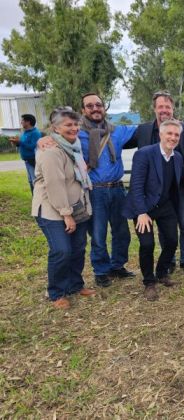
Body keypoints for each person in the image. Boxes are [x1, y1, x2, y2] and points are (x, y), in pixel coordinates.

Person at [32, 109, 96, 309]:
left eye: (76, 124)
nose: (74, 128)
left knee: (77, 249)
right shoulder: (51, 151)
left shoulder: (74, 147)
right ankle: (56, 292)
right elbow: (55, 184)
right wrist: (66, 214)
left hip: (77, 207)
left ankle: (75, 285)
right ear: (55, 128)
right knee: (62, 250)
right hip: (53, 210)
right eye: (68, 125)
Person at [129, 91, 184, 274]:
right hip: (150, 192)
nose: (164, 110)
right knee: (160, 232)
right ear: (154, 109)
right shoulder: (143, 130)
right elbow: (120, 141)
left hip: (177, 186)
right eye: (160, 106)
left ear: (172, 109)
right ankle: (169, 261)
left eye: (167, 107)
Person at [78, 93, 138, 287]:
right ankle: (101, 270)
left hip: (118, 189)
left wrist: (168, 120)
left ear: (104, 108)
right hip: (95, 191)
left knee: (122, 232)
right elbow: (56, 138)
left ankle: (117, 265)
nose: (95, 108)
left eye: (98, 105)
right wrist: (42, 140)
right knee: (98, 233)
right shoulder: (77, 133)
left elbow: (146, 130)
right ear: (83, 111)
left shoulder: (117, 131)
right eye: (90, 106)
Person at [122, 119, 184, 301]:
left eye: (176, 135)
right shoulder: (144, 154)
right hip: (144, 207)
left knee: (172, 241)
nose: (173, 137)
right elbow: (136, 185)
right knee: (147, 244)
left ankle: (161, 272)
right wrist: (141, 212)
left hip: (165, 206)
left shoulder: (177, 157)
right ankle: (149, 282)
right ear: (161, 135)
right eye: (169, 133)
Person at [9, 114, 42, 193]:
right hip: (27, 161)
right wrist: (16, 143)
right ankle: (35, 200)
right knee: (31, 181)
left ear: (28, 122)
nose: (21, 122)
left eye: (22, 121)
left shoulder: (35, 133)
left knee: (35, 181)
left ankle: (39, 201)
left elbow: (34, 147)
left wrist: (20, 142)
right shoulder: (24, 133)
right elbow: (23, 144)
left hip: (33, 160)